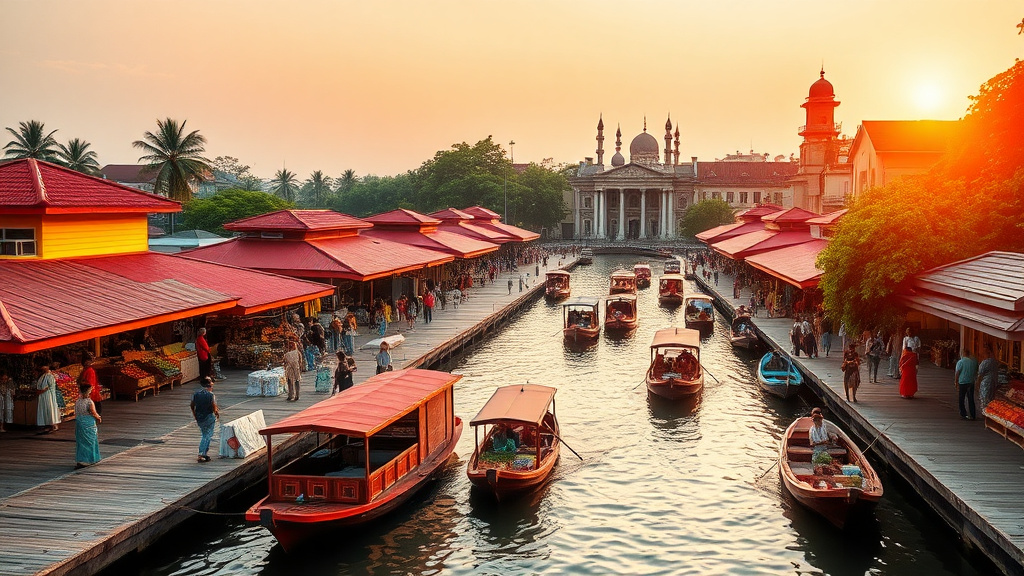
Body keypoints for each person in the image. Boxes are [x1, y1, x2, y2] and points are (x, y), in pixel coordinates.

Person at [190, 377, 220, 463]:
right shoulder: (211, 395)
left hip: (199, 417)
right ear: (209, 385)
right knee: (207, 435)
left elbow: (192, 405)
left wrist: (195, 415)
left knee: (204, 434)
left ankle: (204, 453)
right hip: (209, 416)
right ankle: (201, 453)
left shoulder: (196, 394)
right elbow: (213, 406)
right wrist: (217, 413)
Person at [74, 382, 102, 468]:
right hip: (88, 423)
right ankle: (89, 459)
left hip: (79, 423)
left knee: (81, 441)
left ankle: (81, 459)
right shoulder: (89, 402)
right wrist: (98, 417)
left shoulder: (77, 402)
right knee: (90, 441)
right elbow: (93, 412)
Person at [35, 363, 61, 433]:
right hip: (43, 395)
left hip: (48, 395)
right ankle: (48, 424)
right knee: (45, 410)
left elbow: (48, 387)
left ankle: (53, 425)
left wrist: (41, 391)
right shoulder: (43, 376)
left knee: (50, 409)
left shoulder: (50, 376)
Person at [954, 348, 979, 420]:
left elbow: (957, 372)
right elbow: (976, 370)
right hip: (971, 382)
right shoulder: (973, 362)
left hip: (962, 382)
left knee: (961, 398)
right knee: (971, 398)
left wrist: (956, 382)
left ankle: (963, 413)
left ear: (963, 353)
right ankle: (972, 414)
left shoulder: (960, 362)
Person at [977, 343, 1000, 412]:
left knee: (985, 399)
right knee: (991, 399)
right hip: (993, 382)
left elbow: (980, 375)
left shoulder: (984, 363)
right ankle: (990, 412)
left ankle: (986, 413)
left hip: (986, 383)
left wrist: (977, 384)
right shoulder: (995, 362)